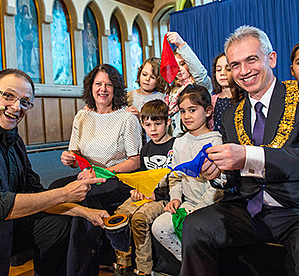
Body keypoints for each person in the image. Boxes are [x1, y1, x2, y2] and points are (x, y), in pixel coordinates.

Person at [180, 25, 299, 276]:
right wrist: (218, 174)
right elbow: (233, 178)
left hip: (294, 210)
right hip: (249, 209)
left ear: (272, 59)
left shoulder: (297, 98)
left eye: (251, 60)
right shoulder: (233, 114)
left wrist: (248, 155)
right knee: (194, 225)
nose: (244, 71)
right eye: (235, 65)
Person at [0, 68, 109, 276]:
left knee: (60, 223)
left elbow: (34, 193)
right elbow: (1, 206)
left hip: (10, 227)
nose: (16, 107)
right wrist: (66, 193)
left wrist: (87, 213)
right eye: (8, 96)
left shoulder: (14, 140)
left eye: (24, 102)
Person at [59, 64, 142, 275]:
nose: (103, 89)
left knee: (83, 196)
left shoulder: (127, 118)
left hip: (117, 179)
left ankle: (79, 270)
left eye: (108, 84)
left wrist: (104, 172)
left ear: (116, 89)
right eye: (98, 84)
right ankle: (55, 264)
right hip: (88, 178)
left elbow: (134, 161)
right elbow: (74, 154)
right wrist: (68, 158)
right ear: (91, 87)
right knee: (54, 189)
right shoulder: (82, 116)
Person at [152, 84, 223, 262]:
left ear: (207, 111)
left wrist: (198, 211)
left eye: (192, 110)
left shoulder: (216, 142)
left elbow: (218, 187)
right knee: (158, 227)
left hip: (210, 207)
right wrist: (175, 198)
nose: (186, 116)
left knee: (196, 231)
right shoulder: (179, 142)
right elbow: (175, 177)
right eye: (183, 111)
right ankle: (190, 262)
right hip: (187, 205)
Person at [110, 99, 175, 276]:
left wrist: (158, 194)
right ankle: (122, 264)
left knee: (139, 219)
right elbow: (143, 176)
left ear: (167, 122)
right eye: (147, 124)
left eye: (157, 124)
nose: (153, 129)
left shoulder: (175, 146)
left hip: (164, 198)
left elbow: (179, 180)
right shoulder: (146, 149)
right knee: (119, 217)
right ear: (141, 124)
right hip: (145, 195)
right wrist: (136, 190)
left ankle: (143, 269)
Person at [165, 32, 212, 137]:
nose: (179, 69)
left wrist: (181, 45)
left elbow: (200, 74)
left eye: (182, 64)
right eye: (174, 65)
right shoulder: (168, 92)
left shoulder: (199, 86)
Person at [210, 52, 246, 132]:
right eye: (219, 70)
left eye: (228, 69)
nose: (223, 73)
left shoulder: (244, 98)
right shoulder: (211, 100)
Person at [17, 5, 35, 74]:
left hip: (30, 37)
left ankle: (29, 67)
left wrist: (32, 35)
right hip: (24, 37)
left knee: (29, 53)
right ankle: (25, 67)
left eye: (26, 10)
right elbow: (19, 28)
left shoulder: (30, 18)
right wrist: (21, 39)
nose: (25, 11)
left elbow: (32, 28)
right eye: (24, 10)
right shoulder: (21, 18)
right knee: (25, 53)